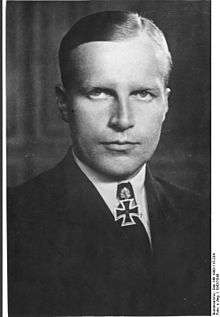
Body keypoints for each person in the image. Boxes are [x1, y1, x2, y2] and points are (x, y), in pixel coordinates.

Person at [7, 10, 210, 316]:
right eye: (99, 92)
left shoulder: (205, 218)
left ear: (165, 103)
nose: (123, 120)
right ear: (64, 103)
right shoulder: (13, 221)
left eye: (142, 93)